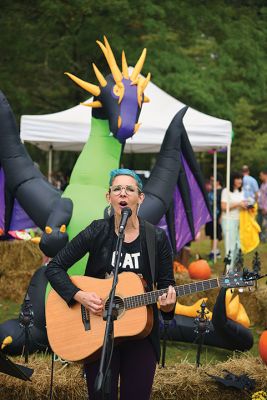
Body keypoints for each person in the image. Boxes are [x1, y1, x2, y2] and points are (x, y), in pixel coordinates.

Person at [45, 168, 176, 400]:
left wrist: (167, 306)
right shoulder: (98, 230)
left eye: (129, 189)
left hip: (140, 334)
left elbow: (167, 287)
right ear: (109, 197)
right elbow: (54, 268)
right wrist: (78, 295)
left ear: (140, 198)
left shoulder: (155, 238)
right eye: (117, 189)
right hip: (97, 334)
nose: (123, 194)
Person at [221, 171, 247, 271]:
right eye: (237, 178)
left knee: (238, 246)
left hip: (240, 222)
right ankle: (229, 271)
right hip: (228, 221)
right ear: (232, 180)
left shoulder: (242, 191)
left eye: (241, 178)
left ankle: (234, 269)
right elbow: (223, 207)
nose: (240, 181)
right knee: (230, 246)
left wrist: (246, 206)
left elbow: (241, 205)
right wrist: (238, 204)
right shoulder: (226, 191)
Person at [205, 174, 223, 260]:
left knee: (216, 234)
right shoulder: (211, 190)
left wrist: (221, 216)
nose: (211, 182)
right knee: (212, 234)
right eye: (211, 180)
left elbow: (222, 205)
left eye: (213, 180)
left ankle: (214, 252)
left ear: (218, 182)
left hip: (217, 216)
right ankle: (215, 251)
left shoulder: (221, 191)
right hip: (210, 216)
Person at [258, 169, 267, 243]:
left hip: (265, 209)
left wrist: (265, 208)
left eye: (261, 175)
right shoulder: (262, 184)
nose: (260, 177)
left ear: (265, 175)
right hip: (260, 208)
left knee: (264, 225)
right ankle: (261, 238)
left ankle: (263, 239)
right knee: (260, 223)